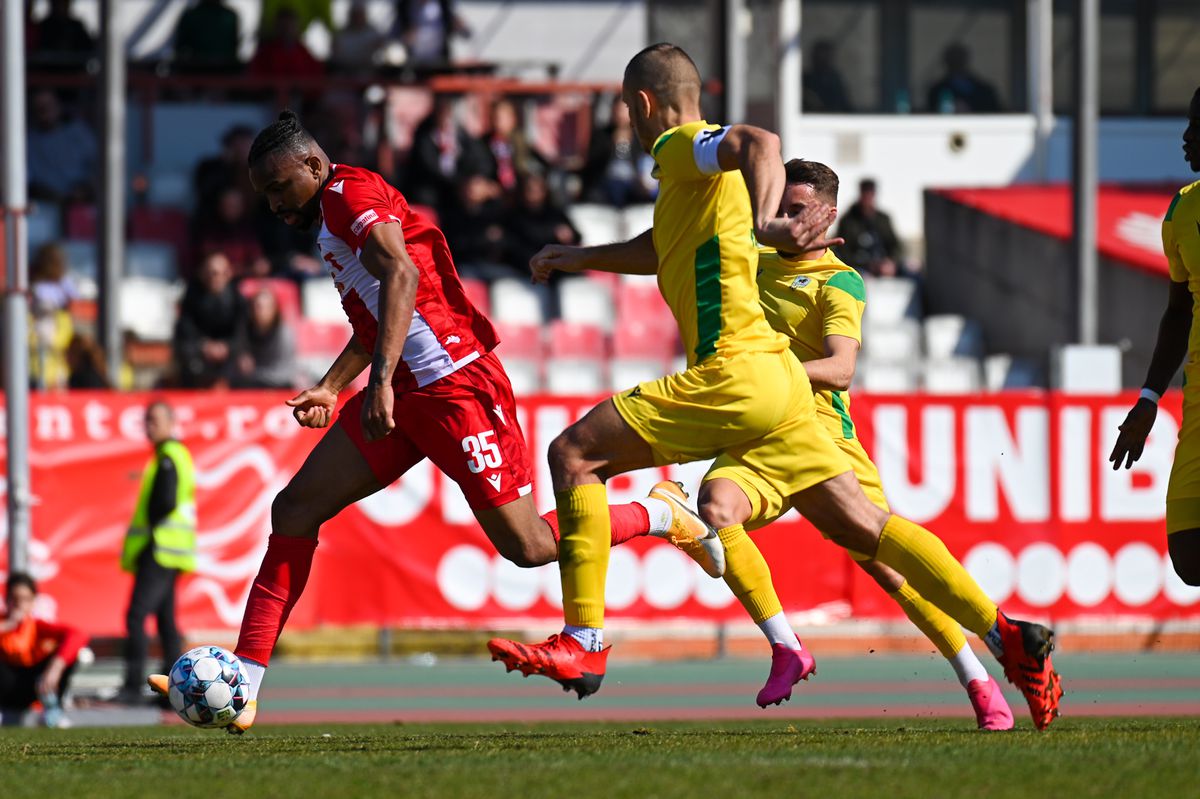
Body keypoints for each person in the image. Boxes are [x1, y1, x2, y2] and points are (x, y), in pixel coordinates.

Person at [490, 44, 1061, 732]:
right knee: (868, 529)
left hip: (733, 371)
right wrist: (581, 257)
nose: (631, 125)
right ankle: (1005, 635)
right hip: (783, 387)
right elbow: (661, 247)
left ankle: (583, 640)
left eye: (627, 110)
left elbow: (760, 139)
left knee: (574, 454)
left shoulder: (679, 145)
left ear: (642, 105)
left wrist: (766, 220)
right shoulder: (699, 181)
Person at [145, 110, 720, 733]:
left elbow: (404, 273)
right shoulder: (332, 213)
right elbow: (376, 321)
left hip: (456, 388)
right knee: (294, 509)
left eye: (281, 187)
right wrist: (333, 388)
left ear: (314, 166)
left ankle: (662, 513)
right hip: (409, 394)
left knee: (528, 547)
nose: (276, 204)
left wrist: (382, 384)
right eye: (266, 195)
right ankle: (247, 680)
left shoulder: (348, 196)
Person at [712, 158, 1013, 728]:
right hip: (759, 435)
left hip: (824, 439)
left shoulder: (840, 280)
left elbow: (841, 368)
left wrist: (769, 375)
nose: (783, 220)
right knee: (715, 509)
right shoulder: (751, 258)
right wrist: (581, 258)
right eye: (778, 207)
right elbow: (669, 249)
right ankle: (786, 646)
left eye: (796, 210)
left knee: (891, 573)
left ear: (826, 216)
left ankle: (979, 673)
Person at [1111, 86, 1200, 587]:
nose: (1186, 136)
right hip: (1197, 407)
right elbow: (1178, 311)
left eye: (1199, 125)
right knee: (1189, 558)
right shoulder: (1182, 212)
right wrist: (1148, 398)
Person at [117, 400, 196, 704]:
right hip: (172, 551)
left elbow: (165, 502)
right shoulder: (175, 454)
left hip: (161, 549)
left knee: (137, 616)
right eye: (147, 420)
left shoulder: (169, 456)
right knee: (166, 622)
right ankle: (171, 689)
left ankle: (132, 685)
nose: (149, 426)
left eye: (155, 420)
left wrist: (149, 528)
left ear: (171, 422)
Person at [1, 572, 88, 727]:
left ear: (33, 602)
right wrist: (8, 626)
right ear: (7, 600)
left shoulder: (37, 626)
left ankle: (53, 711)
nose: (19, 604)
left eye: (25, 599)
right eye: (15, 599)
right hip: (6, 691)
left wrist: (56, 666)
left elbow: (77, 634)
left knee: (70, 653)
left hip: (35, 688)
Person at [174, 252, 246, 387]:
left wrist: (227, 347)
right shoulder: (191, 298)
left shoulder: (237, 300)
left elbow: (242, 333)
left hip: (229, 356)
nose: (218, 278)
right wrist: (205, 346)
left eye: (223, 273)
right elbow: (185, 331)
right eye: (213, 273)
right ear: (203, 274)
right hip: (200, 355)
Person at [580, 96, 657, 207]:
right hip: (606, 184)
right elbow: (593, 163)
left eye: (624, 110)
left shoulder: (641, 137)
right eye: (617, 110)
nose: (620, 114)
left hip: (633, 183)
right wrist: (611, 143)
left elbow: (646, 163)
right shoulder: (602, 136)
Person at [26, 89, 97, 204]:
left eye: (48, 105)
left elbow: (97, 165)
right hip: (46, 206)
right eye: (39, 108)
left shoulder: (78, 132)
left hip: (83, 203)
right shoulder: (28, 141)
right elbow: (28, 181)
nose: (45, 111)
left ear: (58, 106)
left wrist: (85, 189)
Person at [28, 242, 78, 390]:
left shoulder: (65, 284)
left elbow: (74, 305)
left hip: (57, 368)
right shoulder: (33, 284)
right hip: (34, 366)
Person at [476, 98, 548, 195]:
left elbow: (541, 163)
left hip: (520, 191)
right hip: (494, 192)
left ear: (512, 119)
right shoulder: (483, 143)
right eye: (495, 117)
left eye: (502, 118)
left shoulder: (521, 141)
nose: (498, 122)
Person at [230, 289, 299, 389]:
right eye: (255, 307)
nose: (259, 311)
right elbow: (237, 364)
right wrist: (240, 359)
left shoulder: (284, 334)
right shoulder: (244, 329)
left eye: (264, 307)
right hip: (251, 384)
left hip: (278, 384)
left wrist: (253, 373)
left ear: (274, 310)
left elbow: (285, 374)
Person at [834, 178, 902, 276]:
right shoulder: (848, 221)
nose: (868, 198)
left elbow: (896, 245)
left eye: (871, 194)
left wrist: (891, 262)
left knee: (912, 274)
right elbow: (843, 251)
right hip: (859, 266)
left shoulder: (883, 219)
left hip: (882, 264)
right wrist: (866, 265)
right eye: (865, 194)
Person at [248, 8, 325, 80]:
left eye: (291, 26)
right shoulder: (265, 54)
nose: (287, 30)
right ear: (276, 27)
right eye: (283, 26)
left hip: (300, 94)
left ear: (298, 27)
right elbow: (254, 79)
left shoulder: (305, 54)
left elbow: (317, 79)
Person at [926, 43, 1001, 114]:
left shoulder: (984, 90)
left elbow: (996, 113)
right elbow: (931, 115)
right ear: (946, 61)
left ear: (965, 60)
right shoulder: (937, 90)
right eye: (953, 59)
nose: (956, 62)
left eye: (959, 58)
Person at [391, 0, 469, 67]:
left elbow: (466, 34)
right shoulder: (404, 6)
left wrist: (459, 27)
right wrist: (404, 38)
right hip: (412, 64)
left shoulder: (443, 5)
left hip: (440, 63)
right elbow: (392, 37)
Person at [172, 0, 241, 74]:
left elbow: (179, 47)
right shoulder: (230, 15)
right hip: (199, 70)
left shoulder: (230, 16)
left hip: (221, 70)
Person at [29, 0, 95, 71]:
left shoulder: (76, 27)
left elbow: (88, 50)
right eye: (58, 3)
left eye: (64, 3)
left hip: (74, 73)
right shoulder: (44, 27)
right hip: (47, 73)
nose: (61, 7)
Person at [330, 1, 385, 76]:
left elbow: (381, 55)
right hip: (344, 74)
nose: (357, 18)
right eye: (355, 14)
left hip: (367, 73)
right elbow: (335, 57)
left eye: (360, 14)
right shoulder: (341, 35)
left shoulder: (373, 34)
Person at [802, 40, 852, 113]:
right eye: (820, 57)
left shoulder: (835, 79)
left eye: (826, 57)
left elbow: (845, 106)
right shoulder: (806, 80)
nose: (823, 60)